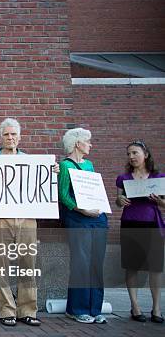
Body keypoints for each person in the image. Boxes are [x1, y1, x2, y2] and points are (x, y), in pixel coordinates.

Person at [0, 118, 58, 327]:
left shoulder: (31, 162)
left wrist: (51, 172)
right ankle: (7, 310)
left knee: (28, 265)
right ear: (0, 137)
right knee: (1, 266)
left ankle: (27, 310)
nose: (10, 138)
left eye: (13, 134)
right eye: (6, 134)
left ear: (20, 136)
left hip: (26, 218)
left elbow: (42, 186)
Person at [58, 128, 108, 324]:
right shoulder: (64, 166)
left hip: (97, 219)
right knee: (81, 263)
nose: (90, 144)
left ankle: (95, 309)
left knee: (96, 264)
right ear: (77, 143)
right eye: (87, 141)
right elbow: (63, 195)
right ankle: (76, 309)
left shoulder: (89, 164)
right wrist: (81, 210)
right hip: (78, 218)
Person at [115, 139, 164, 323]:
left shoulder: (158, 178)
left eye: (135, 153)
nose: (131, 157)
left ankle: (156, 308)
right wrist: (120, 201)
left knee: (155, 268)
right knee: (132, 265)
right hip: (130, 223)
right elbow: (118, 200)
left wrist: (159, 201)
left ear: (146, 154)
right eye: (129, 154)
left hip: (152, 224)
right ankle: (135, 306)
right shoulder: (123, 178)